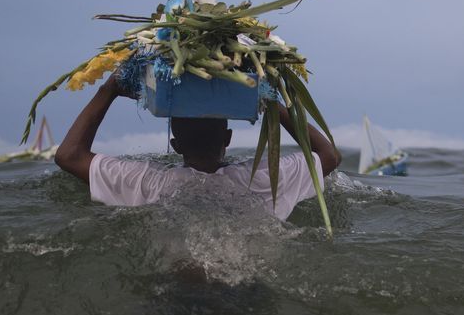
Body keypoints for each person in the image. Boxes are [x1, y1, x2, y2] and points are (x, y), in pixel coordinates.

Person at [54, 75, 341, 220]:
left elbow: (69, 155)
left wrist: (110, 90)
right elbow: (329, 155)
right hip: (245, 291)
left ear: (175, 145)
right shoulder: (263, 181)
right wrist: (273, 105)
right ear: (227, 139)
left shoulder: (149, 183)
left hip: (176, 292)